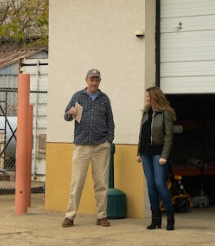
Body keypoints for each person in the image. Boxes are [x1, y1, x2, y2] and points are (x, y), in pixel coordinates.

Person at [62, 69, 115, 227]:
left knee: (101, 183)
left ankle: (102, 216)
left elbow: (110, 122)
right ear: (86, 80)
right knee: (77, 182)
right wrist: (70, 113)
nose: (94, 83)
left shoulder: (105, 99)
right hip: (81, 145)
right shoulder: (77, 96)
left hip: (101, 146)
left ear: (100, 81)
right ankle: (70, 216)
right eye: (91, 80)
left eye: (96, 80)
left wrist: (109, 141)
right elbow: (66, 116)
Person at [136, 86, 176, 231]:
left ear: (155, 97)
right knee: (151, 185)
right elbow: (142, 133)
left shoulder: (166, 113)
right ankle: (155, 219)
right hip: (146, 152)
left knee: (160, 184)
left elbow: (169, 137)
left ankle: (170, 217)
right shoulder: (146, 112)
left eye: (148, 96)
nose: (146, 98)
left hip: (159, 153)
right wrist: (139, 152)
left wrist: (164, 156)